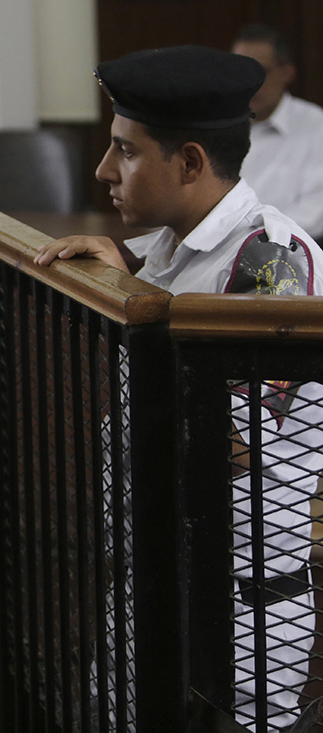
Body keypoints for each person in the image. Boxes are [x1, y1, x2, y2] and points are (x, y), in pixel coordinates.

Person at [34, 45, 323, 730]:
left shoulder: (269, 261)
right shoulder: (170, 247)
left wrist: (133, 306)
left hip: (238, 611)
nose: (103, 170)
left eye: (126, 153)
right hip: (155, 583)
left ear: (190, 162)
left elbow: (231, 450)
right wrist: (130, 280)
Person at [232, 23, 323, 240]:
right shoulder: (219, 124)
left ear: (287, 72)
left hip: (284, 254)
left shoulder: (316, 127)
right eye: (241, 71)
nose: (250, 83)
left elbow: (314, 214)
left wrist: (242, 238)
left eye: (261, 71)